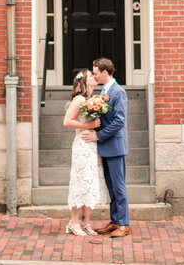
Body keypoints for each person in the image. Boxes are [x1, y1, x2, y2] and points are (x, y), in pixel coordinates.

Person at [82, 57, 130, 238]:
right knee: (111, 187)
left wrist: (98, 135)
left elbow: (119, 121)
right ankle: (115, 221)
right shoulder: (103, 93)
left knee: (118, 187)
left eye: (95, 73)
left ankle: (124, 224)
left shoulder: (119, 92)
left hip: (116, 146)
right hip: (106, 146)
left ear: (104, 72)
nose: (94, 76)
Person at [62, 68, 107, 236]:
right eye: (91, 76)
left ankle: (86, 222)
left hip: (92, 145)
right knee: (80, 182)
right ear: (84, 81)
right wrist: (88, 126)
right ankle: (73, 222)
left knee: (90, 182)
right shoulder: (79, 99)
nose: (95, 77)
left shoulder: (92, 99)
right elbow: (67, 121)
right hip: (82, 145)